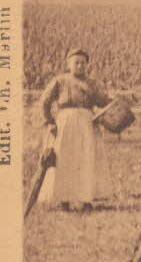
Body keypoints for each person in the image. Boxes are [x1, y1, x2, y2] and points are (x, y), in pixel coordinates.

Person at [37, 47, 112, 210]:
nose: (80, 66)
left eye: (83, 63)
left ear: (87, 65)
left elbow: (103, 101)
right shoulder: (60, 80)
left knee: (86, 158)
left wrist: (117, 101)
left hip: (87, 122)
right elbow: (45, 101)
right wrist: (50, 121)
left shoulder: (91, 83)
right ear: (69, 64)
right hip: (66, 122)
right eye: (76, 62)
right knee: (65, 159)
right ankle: (64, 199)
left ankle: (86, 199)